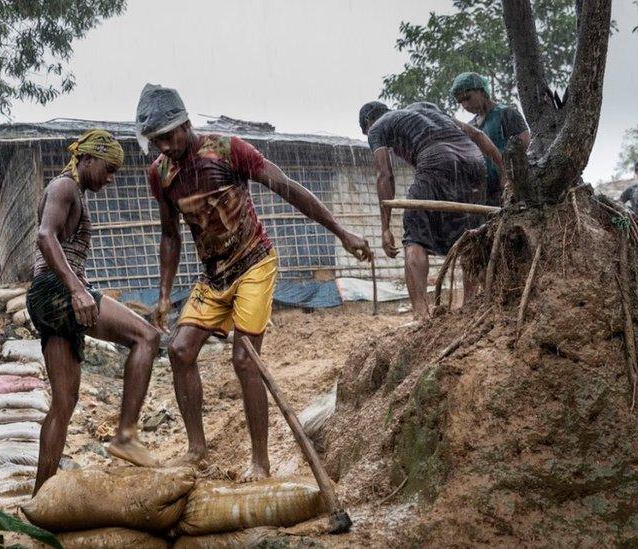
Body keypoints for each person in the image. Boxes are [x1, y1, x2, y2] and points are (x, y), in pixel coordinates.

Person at [136, 83, 372, 481]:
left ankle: (259, 463)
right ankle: (196, 450)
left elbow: (287, 188)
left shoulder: (228, 150)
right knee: (178, 350)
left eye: (168, 136)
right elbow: (170, 235)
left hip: (253, 263)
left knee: (246, 359)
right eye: (155, 140)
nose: (164, 146)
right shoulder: (160, 174)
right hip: (213, 276)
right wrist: (163, 294)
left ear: (186, 124)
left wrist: (341, 232)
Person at [27, 129, 162, 493]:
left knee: (64, 403)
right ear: (87, 159)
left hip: (47, 299)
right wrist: (77, 289)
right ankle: (126, 435)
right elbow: (45, 236)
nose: (111, 177)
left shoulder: (73, 193)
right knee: (147, 336)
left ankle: (41, 496)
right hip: (57, 291)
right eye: (108, 168)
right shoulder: (64, 187)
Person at [359, 100, 503, 320]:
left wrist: (385, 227)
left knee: (415, 237)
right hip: (475, 161)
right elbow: (477, 135)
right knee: (469, 236)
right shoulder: (426, 108)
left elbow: (385, 175)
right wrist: (505, 169)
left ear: (368, 123)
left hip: (436, 158)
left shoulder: (377, 127)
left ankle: (420, 313)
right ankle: (470, 307)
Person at [450, 72, 530, 205]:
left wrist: (507, 175)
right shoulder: (471, 126)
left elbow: (523, 144)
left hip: (509, 191)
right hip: (484, 195)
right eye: (460, 102)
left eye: (467, 98)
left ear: (481, 91)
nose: (465, 105)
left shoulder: (506, 113)